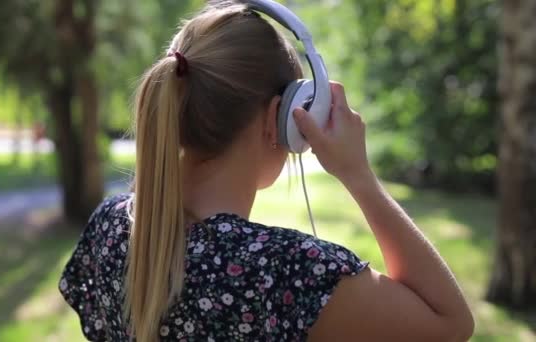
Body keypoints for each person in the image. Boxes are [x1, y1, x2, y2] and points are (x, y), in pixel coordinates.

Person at [59, 2, 474, 341]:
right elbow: (450, 323)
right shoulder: (288, 274)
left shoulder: (112, 227)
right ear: (281, 117)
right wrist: (358, 175)